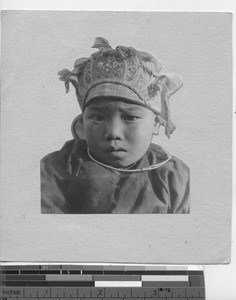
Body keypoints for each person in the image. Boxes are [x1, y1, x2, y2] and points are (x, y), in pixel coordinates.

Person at [41, 37, 190, 214]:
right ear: (81, 126)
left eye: (130, 117)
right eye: (97, 117)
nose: (113, 132)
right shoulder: (54, 169)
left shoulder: (174, 175)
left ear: (157, 123)